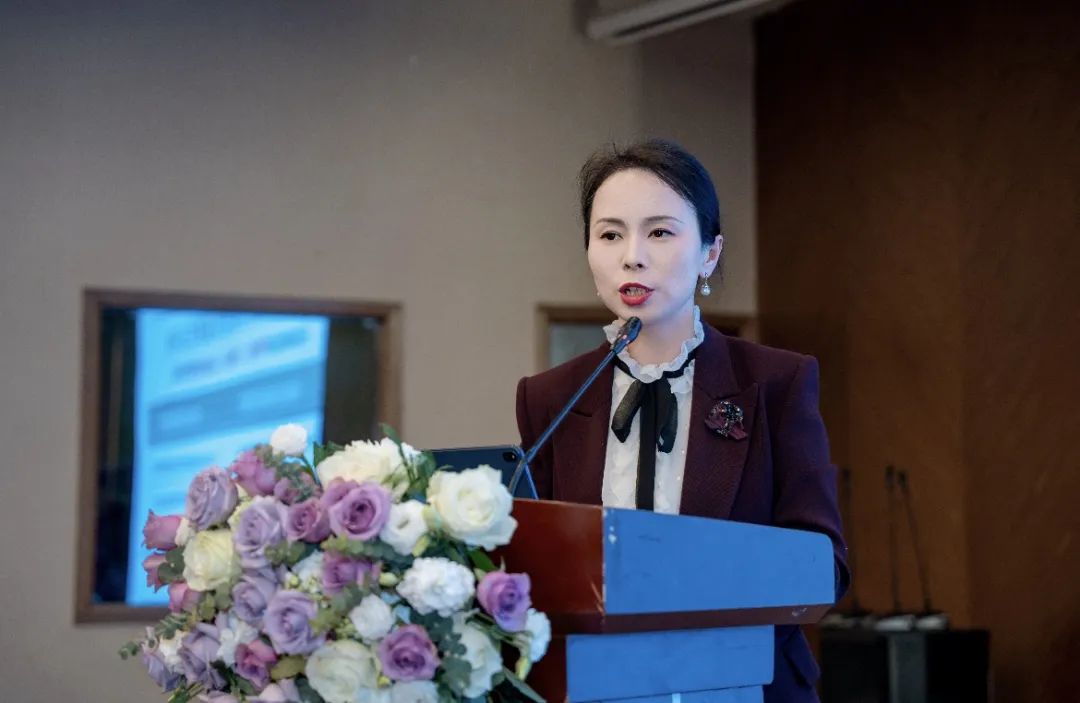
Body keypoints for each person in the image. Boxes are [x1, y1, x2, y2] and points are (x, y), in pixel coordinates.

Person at [515, 139, 849, 702]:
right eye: (610, 235)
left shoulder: (776, 383)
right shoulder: (551, 398)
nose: (632, 257)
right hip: (596, 689)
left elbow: (824, 565)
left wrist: (693, 582)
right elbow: (536, 568)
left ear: (709, 254)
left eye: (660, 233)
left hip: (746, 685)